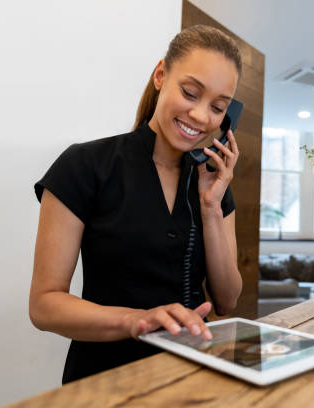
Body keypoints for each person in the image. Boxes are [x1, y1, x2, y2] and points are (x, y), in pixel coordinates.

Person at [29, 25, 243, 384]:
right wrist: (136, 321)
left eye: (218, 107)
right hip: (105, 377)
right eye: (190, 93)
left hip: (194, 377)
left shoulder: (214, 184)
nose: (202, 117)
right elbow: (44, 305)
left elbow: (227, 300)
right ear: (161, 75)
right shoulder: (84, 166)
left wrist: (210, 208)